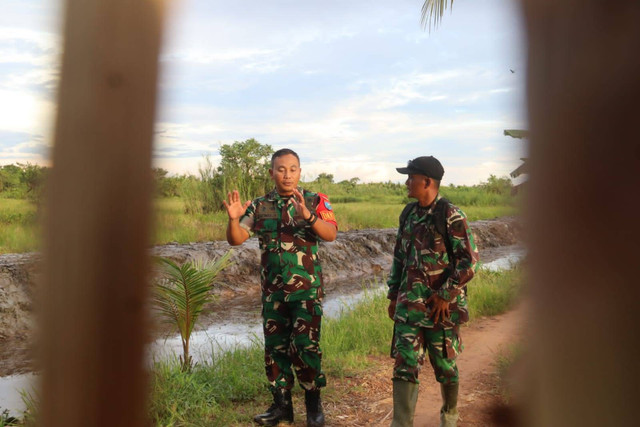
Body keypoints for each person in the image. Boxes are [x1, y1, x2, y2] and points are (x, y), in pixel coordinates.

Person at [223, 148, 338, 427]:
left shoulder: (315, 200)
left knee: (305, 347)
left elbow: (331, 234)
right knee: (275, 349)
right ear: (272, 172)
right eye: (281, 169)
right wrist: (233, 219)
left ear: (300, 171)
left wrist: (309, 216)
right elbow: (236, 239)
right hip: (273, 292)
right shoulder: (261, 205)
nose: (287, 175)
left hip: (306, 291)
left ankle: (313, 406)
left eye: (293, 169)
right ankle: (282, 408)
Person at [386, 156, 478, 427]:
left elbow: (468, 262)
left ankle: (449, 416)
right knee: (404, 367)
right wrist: (393, 295)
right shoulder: (409, 214)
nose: (406, 182)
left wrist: (446, 294)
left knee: (445, 367)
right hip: (408, 307)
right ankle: (401, 424)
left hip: (440, 309)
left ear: (427, 182)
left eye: (410, 177)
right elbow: (399, 258)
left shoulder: (451, 215)